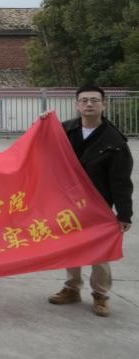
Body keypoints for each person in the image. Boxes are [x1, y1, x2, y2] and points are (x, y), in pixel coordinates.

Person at [48, 85, 133, 317]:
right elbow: (40, 142)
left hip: (99, 205)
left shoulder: (115, 142)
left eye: (94, 100)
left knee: (99, 251)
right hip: (68, 201)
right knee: (71, 245)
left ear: (103, 105)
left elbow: (121, 181)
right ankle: (72, 288)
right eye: (84, 100)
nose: (89, 104)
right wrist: (42, 122)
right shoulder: (66, 129)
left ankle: (100, 295)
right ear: (77, 105)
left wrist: (124, 214)